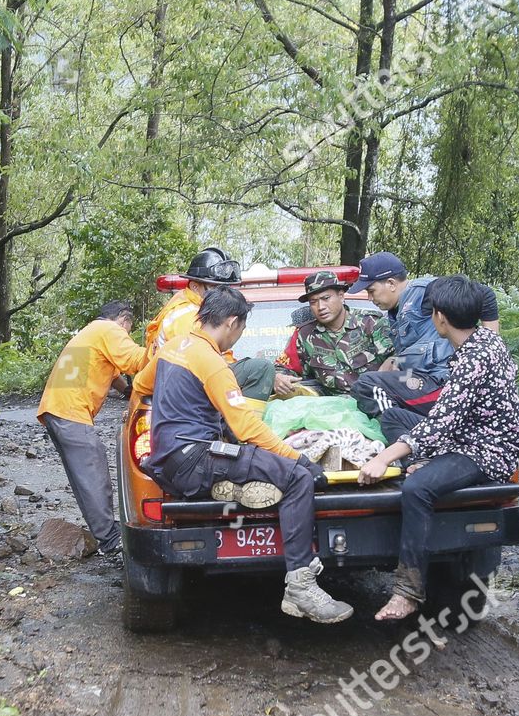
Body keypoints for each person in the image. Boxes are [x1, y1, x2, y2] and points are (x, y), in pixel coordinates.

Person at [148, 285, 353, 623]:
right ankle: (301, 588)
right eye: (241, 330)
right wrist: (297, 459)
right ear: (231, 322)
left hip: (169, 462)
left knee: (256, 465)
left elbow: (142, 384)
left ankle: (234, 488)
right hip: (198, 459)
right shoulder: (212, 363)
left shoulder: (173, 349)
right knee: (298, 479)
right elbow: (246, 428)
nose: (237, 340)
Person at [356, 276, 519, 620]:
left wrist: (384, 458)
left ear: (440, 318)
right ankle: (427, 462)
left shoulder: (475, 358)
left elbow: (442, 422)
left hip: (487, 450)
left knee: (416, 488)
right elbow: (448, 419)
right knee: (396, 419)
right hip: (467, 436)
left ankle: (408, 592)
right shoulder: (483, 341)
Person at [38, 301, 150, 554]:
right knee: (94, 476)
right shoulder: (109, 331)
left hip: (57, 409)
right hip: (70, 412)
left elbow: (112, 375)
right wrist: (169, 352)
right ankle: (111, 540)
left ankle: (106, 535)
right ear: (123, 320)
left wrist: (128, 391)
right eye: (128, 330)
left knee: (83, 477)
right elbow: (135, 360)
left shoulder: (90, 332)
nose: (127, 335)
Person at [345, 252, 500, 418]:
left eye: (371, 291)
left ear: (391, 283)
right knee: (380, 398)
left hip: (443, 381)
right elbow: (416, 348)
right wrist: (395, 361)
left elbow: (485, 295)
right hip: (420, 380)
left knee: (367, 384)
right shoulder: (395, 311)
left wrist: (490, 351)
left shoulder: (422, 291)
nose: (369, 298)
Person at [138, 246, 276, 401]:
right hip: (185, 389)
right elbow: (209, 362)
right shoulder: (189, 316)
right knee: (261, 369)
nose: (222, 294)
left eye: (225, 288)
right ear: (195, 286)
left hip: (180, 385)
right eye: (215, 288)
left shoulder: (192, 306)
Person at [273, 269, 394, 397]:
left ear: (341, 296)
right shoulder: (304, 336)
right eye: (313, 302)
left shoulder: (371, 323)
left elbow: (400, 360)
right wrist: (278, 377)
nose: (320, 307)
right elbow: (283, 367)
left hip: (377, 402)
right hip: (332, 411)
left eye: (326, 298)